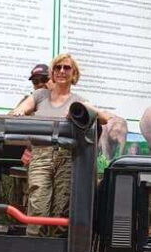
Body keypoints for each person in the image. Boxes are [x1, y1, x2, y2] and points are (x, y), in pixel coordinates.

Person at [11, 53, 110, 235]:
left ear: (74, 74)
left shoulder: (77, 100)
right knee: (38, 204)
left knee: (62, 208)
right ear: (52, 72)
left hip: (66, 157)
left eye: (66, 68)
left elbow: (104, 118)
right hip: (41, 155)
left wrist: (79, 112)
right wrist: (20, 111)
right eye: (57, 67)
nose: (61, 71)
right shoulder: (40, 95)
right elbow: (19, 111)